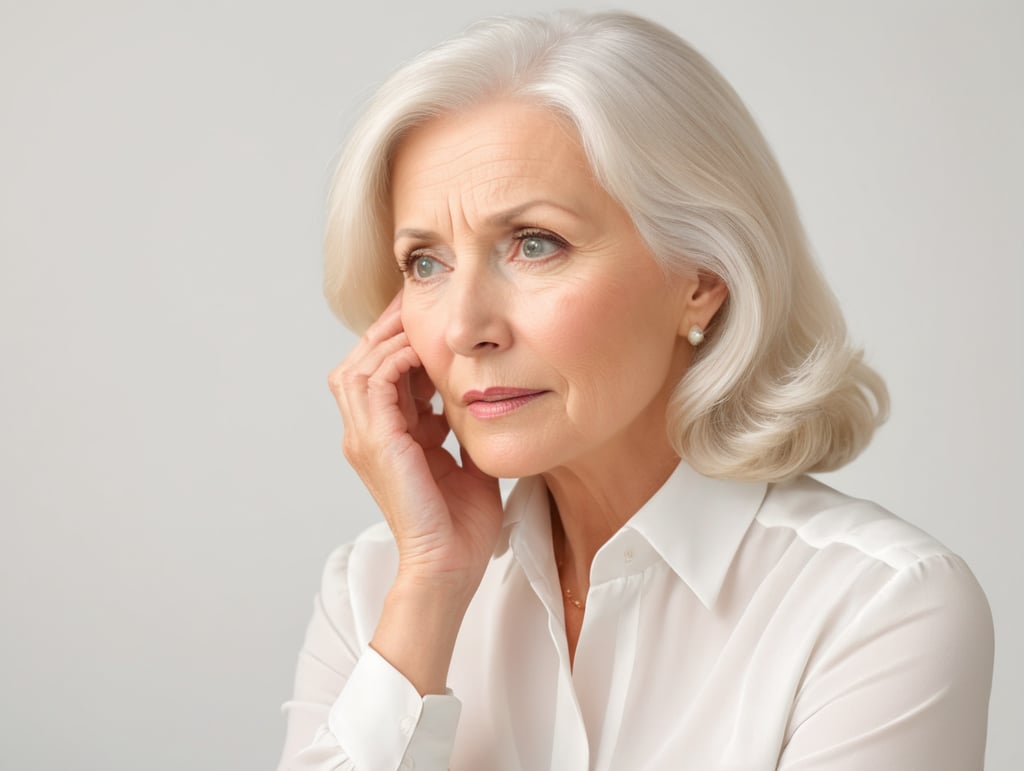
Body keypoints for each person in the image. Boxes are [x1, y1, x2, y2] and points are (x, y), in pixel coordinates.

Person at [276, 11, 994, 770]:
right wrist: (431, 587)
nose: (462, 327)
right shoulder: (374, 586)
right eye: (425, 262)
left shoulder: (879, 607)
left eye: (534, 243)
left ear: (703, 278)